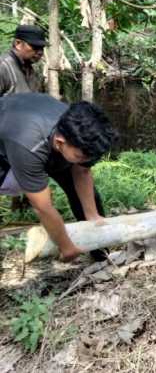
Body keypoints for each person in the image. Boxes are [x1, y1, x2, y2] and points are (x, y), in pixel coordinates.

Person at [0, 93, 118, 261]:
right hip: (10, 138)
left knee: (87, 196)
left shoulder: (80, 132)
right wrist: (66, 247)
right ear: (60, 142)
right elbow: (43, 208)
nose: (87, 161)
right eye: (82, 157)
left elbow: (82, 171)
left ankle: (100, 254)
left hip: (42, 135)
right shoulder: (29, 147)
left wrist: (93, 217)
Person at [0, 24, 46, 97]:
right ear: (18, 43)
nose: (40, 52)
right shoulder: (3, 67)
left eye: (42, 48)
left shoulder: (30, 69)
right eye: (35, 47)